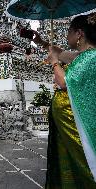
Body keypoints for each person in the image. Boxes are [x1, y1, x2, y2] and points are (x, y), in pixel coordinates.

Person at [32, 13, 96, 189]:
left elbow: (63, 82)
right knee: (68, 161)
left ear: (79, 34)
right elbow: (61, 54)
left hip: (78, 123)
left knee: (83, 161)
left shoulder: (90, 58)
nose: (67, 35)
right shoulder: (84, 56)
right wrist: (43, 43)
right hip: (69, 120)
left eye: (69, 31)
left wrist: (54, 63)